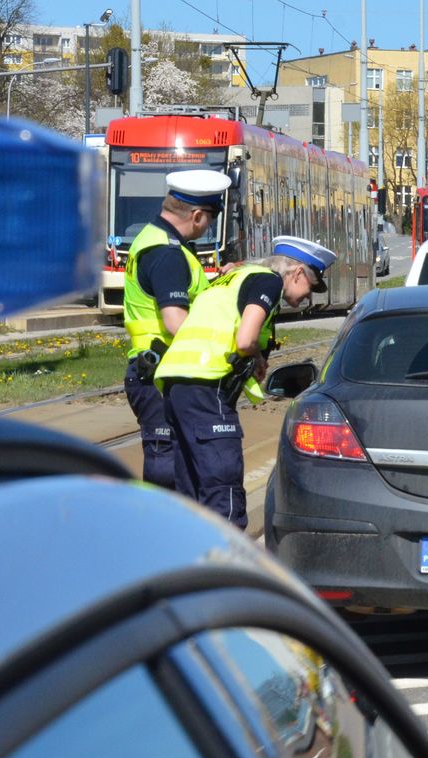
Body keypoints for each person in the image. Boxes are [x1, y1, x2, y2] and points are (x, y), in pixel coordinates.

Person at [155, 236, 335, 528]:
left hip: (175, 385)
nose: (308, 297)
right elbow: (245, 339)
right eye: (311, 287)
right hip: (208, 387)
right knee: (220, 490)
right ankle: (228, 565)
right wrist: (258, 360)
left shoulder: (231, 278)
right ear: (298, 273)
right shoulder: (269, 282)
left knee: (189, 489)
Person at [122, 168, 232, 490]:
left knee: (173, 463)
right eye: (211, 216)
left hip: (155, 368)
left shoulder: (155, 240)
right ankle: (159, 534)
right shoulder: (167, 253)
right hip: (160, 373)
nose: (210, 224)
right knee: (166, 468)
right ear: (197, 215)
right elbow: (175, 321)